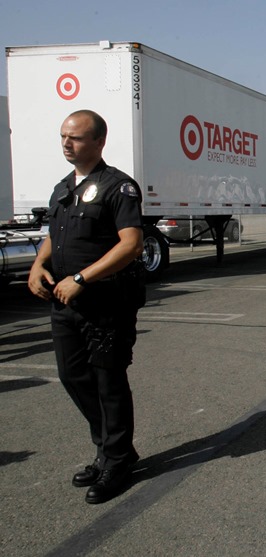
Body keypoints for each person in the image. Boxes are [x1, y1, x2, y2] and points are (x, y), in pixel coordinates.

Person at [27, 110, 146, 505]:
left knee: (108, 381)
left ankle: (117, 459)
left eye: (75, 138)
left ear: (98, 142)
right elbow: (54, 233)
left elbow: (130, 244)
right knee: (72, 376)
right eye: (63, 136)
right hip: (65, 302)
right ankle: (110, 448)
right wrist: (38, 264)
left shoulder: (118, 187)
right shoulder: (63, 187)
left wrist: (81, 279)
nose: (66, 143)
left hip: (105, 301)